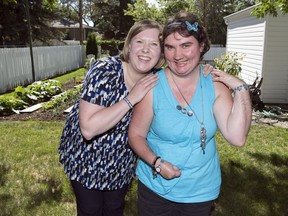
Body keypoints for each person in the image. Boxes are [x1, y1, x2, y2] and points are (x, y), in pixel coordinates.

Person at [128, 12, 252, 216]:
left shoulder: (215, 85)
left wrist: (241, 88)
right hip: (155, 189)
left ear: (201, 46)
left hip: (200, 192)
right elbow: (136, 135)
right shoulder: (152, 86)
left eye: (186, 45)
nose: (177, 55)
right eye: (170, 47)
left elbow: (237, 137)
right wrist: (156, 163)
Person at [58, 19, 165, 216]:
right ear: (129, 45)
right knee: (91, 211)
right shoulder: (104, 71)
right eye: (140, 41)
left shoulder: (158, 78)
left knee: (114, 210)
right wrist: (132, 98)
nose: (145, 50)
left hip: (121, 163)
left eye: (154, 44)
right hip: (85, 159)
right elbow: (88, 129)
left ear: (161, 53)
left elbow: (186, 75)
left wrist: (206, 71)